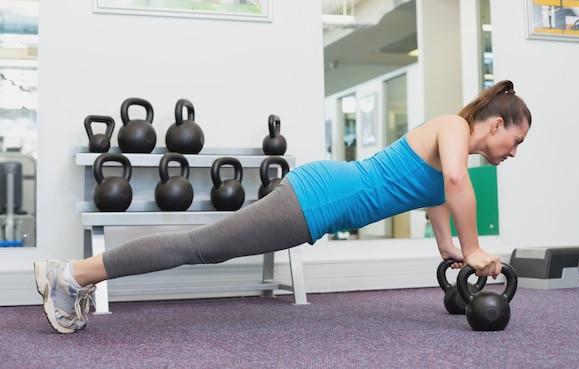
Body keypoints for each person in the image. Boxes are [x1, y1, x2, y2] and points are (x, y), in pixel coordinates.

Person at [34, 79, 532, 334]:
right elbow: (452, 182)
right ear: (496, 124)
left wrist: (446, 244)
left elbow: (438, 194)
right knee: (199, 247)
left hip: (319, 201)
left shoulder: (456, 147)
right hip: (317, 197)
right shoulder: (452, 127)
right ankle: (70, 276)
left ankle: (72, 275)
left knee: (204, 246)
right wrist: (473, 249)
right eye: (515, 140)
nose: (513, 153)